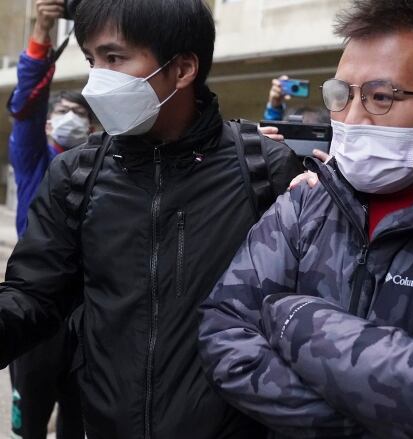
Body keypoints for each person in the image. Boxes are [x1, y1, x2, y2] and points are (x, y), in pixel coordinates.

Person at [198, 0, 413, 438]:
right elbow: (222, 332)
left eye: (381, 97)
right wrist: (366, 422)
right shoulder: (308, 201)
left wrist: (293, 314)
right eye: (341, 95)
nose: (352, 117)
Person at [0, 0, 302, 438]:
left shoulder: (264, 171)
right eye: (91, 60)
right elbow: (33, 296)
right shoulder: (76, 175)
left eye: (114, 58)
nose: (95, 81)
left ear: (182, 69)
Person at [6, 1, 91, 437]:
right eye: (63, 113)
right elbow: (26, 101)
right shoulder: (35, 160)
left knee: (78, 424)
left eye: (81, 114)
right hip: (37, 311)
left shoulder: (104, 167)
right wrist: (42, 29)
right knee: (29, 424)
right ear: (45, 125)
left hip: (88, 315)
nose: (71, 121)